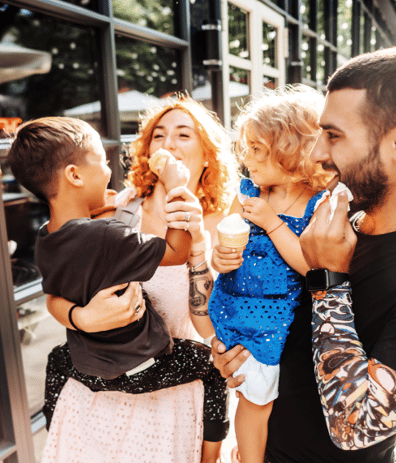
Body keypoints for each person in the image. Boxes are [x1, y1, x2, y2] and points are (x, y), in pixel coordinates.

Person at [211, 47, 396, 463]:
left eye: (333, 136)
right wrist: (239, 355)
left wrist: (328, 280)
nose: (316, 154)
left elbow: (355, 426)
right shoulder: (334, 216)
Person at [23, 101, 238, 463]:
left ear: (207, 155)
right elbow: (57, 292)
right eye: (159, 135)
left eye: (183, 134)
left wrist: (198, 239)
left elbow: (217, 323)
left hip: (172, 396)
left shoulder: (227, 225)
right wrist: (82, 318)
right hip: (98, 401)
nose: (168, 143)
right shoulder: (117, 209)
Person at [208, 86, 332, 463]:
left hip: (275, 319)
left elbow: (310, 265)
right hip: (233, 306)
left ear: (293, 149)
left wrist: (271, 221)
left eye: (257, 149)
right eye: (246, 148)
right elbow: (225, 242)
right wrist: (221, 256)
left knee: (259, 397)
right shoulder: (246, 191)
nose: (247, 158)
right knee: (250, 394)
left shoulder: (317, 203)